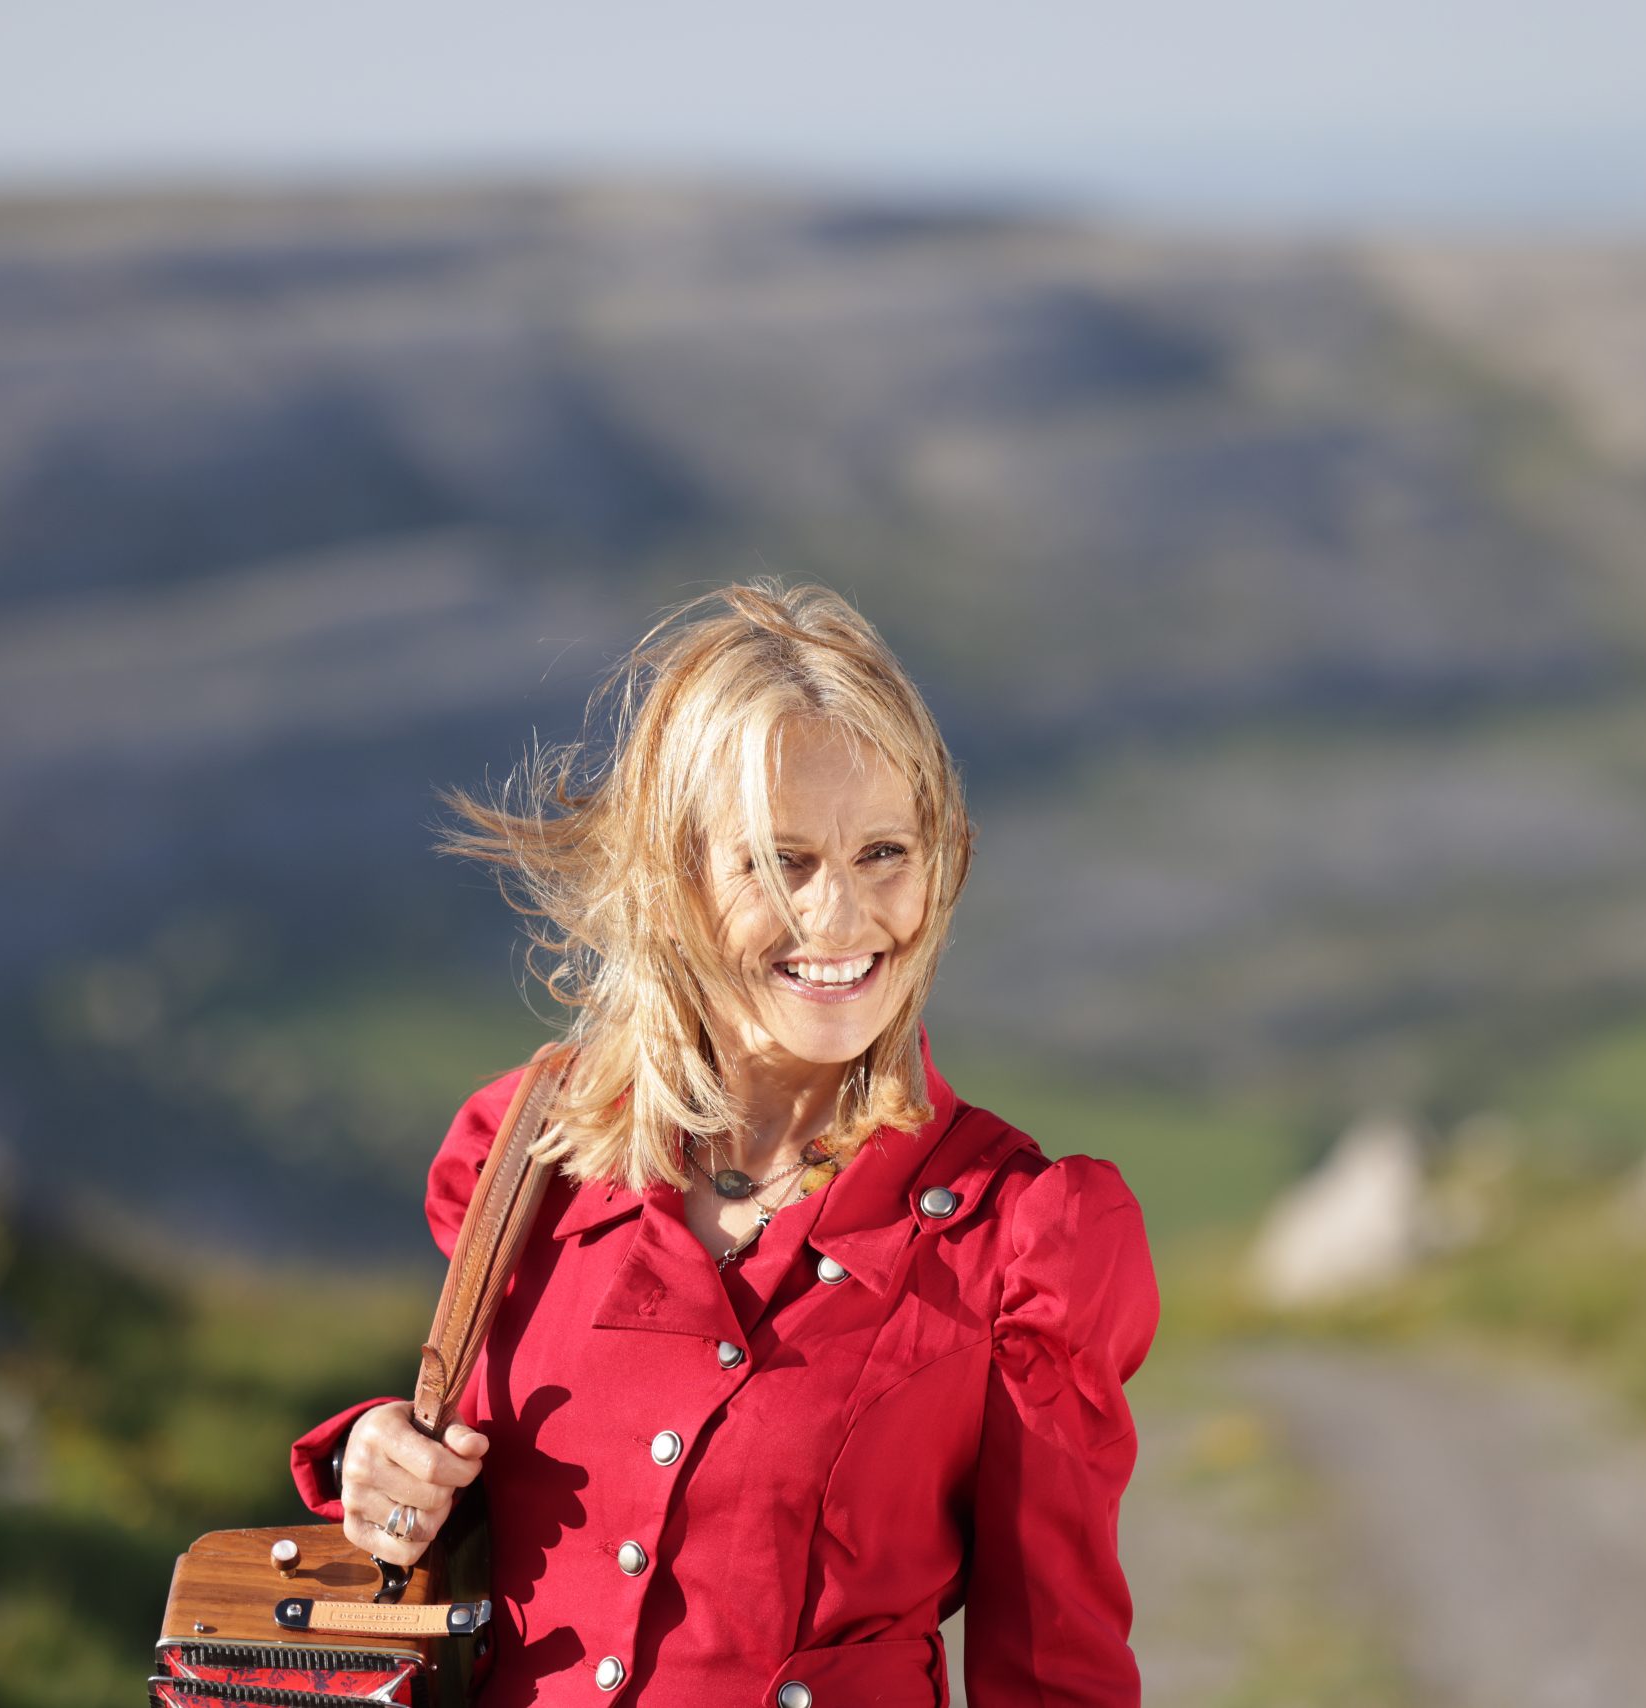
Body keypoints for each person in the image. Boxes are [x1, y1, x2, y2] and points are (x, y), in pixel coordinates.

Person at [286, 581, 1159, 1705]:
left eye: (884, 851)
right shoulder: (528, 1159)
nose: (840, 918)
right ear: (671, 879)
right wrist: (384, 1464)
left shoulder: (1023, 1244)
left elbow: (1054, 1673)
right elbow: (485, 1517)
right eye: (778, 860)